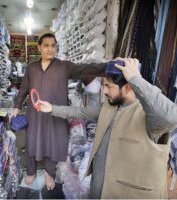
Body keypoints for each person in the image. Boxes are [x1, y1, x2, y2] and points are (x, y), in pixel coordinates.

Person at [39, 58, 177, 198]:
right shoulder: (110, 106)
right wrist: (52, 108)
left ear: (128, 87)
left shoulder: (150, 117)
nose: (104, 91)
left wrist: (136, 79)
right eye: (103, 85)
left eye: (109, 86)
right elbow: (81, 112)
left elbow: (172, 118)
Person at [10, 33, 107, 190]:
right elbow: (24, 89)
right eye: (46, 45)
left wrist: (108, 67)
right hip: (35, 113)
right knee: (32, 141)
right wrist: (16, 106)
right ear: (39, 47)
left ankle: (49, 172)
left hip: (55, 113)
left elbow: (86, 68)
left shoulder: (64, 66)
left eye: (53, 45)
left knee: (52, 142)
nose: (50, 49)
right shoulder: (32, 67)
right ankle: (31, 171)